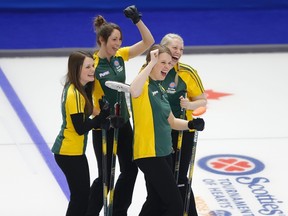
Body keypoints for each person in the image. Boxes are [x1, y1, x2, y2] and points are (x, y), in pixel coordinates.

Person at [86, 5, 155, 216]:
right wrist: (101, 115)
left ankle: (118, 211)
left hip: (123, 122)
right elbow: (85, 101)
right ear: (102, 40)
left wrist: (137, 20)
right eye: (114, 40)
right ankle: (89, 212)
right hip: (104, 126)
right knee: (106, 176)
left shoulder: (120, 57)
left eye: (120, 39)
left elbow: (148, 42)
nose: (118, 44)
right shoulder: (92, 64)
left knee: (131, 169)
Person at [129, 44, 205, 216]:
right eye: (162, 62)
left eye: (169, 63)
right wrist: (151, 62)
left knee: (156, 202)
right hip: (149, 153)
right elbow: (133, 90)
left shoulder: (160, 89)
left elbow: (172, 122)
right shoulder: (144, 85)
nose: (167, 66)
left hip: (164, 152)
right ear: (152, 61)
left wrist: (191, 125)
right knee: (174, 204)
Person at [51, 51, 110, 216]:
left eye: (93, 66)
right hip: (68, 152)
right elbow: (80, 128)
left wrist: (102, 113)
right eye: (88, 67)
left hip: (74, 152)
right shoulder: (74, 94)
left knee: (82, 197)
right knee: (80, 198)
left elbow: (89, 112)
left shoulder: (80, 89)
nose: (93, 70)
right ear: (77, 69)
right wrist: (102, 117)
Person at [160, 33, 207, 216]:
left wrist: (190, 105)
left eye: (181, 49)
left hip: (182, 130)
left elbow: (202, 100)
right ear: (164, 49)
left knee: (180, 177)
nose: (178, 52)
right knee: (162, 179)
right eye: (174, 48)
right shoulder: (152, 69)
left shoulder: (187, 71)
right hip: (158, 131)